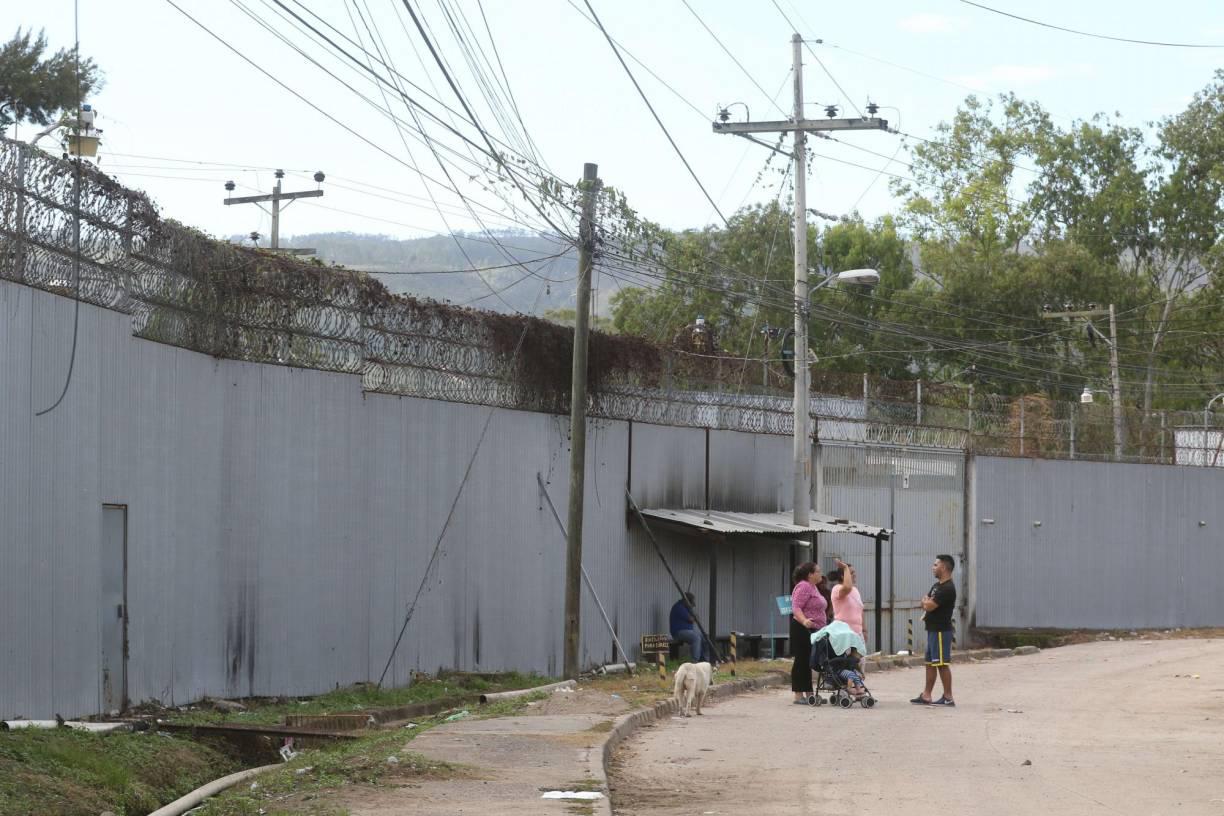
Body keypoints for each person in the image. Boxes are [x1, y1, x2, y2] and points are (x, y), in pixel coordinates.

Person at [912, 554, 957, 707]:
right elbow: (924, 601)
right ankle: (926, 695)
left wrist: (927, 602)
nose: (933, 567)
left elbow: (929, 605)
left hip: (940, 631)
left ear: (944, 567)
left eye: (935, 565)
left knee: (942, 663)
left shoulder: (948, 588)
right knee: (930, 663)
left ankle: (948, 697)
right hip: (932, 630)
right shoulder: (937, 586)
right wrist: (926, 601)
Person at [789, 562, 827, 704]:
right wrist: (804, 621)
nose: (820, 573)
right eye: (818, 571)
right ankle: (799, 696)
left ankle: (809, 693)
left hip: (814, 629)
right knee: (802, 660)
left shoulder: (813, 587)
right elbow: (796, 607)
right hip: (802, 628)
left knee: (809, 661)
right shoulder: (804, 586)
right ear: (810, 574)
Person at [828, 558, 867, 644]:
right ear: (843, 576)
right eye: (851, 573)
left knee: (858, 658)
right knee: (845, 658)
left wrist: (864, 630)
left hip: (857, 633)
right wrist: (845, 568)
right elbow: (847, 588)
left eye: (854, 572)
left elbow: (860, 611)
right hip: (844, 634)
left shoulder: (855, 590)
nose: (854, 575)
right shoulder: (837, 588)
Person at [669, 592, 710, 663]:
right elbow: (691, 619)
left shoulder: (686, 608)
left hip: (688, 631)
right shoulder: (679, 607)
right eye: (691, 601)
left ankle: (705, 659)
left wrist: (693, 613)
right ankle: (695, 661)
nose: (692, 604)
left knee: (705, 637)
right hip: (679, 632)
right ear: (687, 601)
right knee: (696, 638)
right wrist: (694, 616)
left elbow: (696, 617)